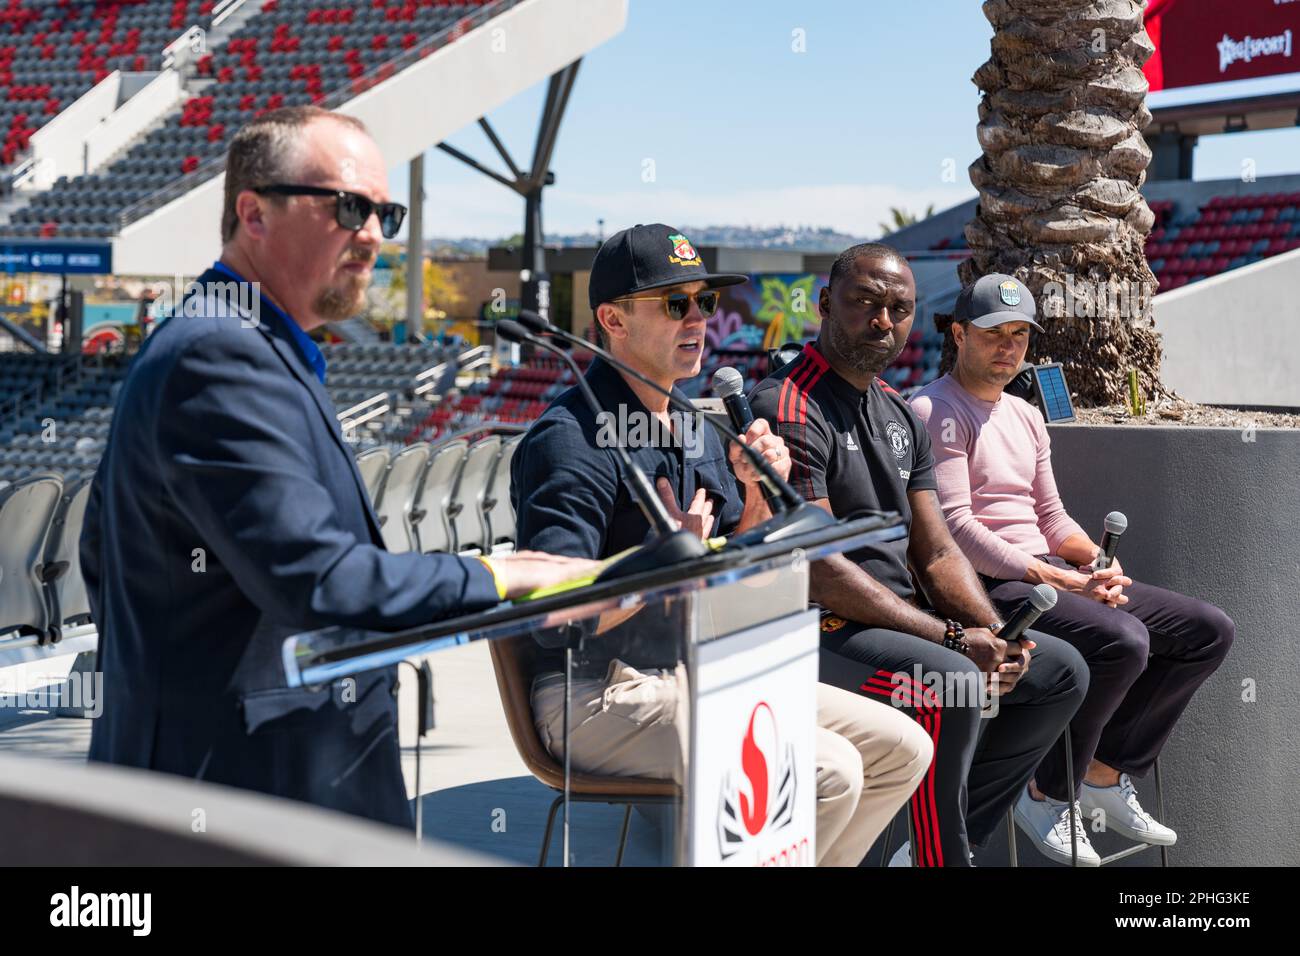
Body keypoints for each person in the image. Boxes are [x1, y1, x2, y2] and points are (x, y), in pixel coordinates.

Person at [80, 106, 594, 828]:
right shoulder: (218, 355)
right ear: (253, 212)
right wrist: (504, 575)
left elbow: (103, 554)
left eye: (387, 211)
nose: (375, 234)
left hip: (273, 789)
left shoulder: (252, 346)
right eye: (350, 207)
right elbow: (321, 580)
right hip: (233, 804)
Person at [511, 224, 932, 866]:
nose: (698, 320)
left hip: (695, 667)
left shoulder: (692, 424)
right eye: (675, 304)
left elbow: (747, 569)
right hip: (596, 691)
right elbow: (550, 618)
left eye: (704, 302)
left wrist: (761, 493)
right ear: (611, 319)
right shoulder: (569, 440)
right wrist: (659, 567)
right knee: (828, 770)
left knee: (903, 746)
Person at [748, 243, 1090, 867]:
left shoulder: (900, 413)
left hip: (895, 626)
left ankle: (929, 843)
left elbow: (936, 553)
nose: (883, 322)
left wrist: (994, 634)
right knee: (952, 682)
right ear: (826, 305)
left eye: (899, 309)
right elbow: (820, 571)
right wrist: (956, 641)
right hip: (814, 632)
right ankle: (941, 855)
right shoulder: (788, 405)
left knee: (1059, 672)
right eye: (865, 304)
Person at [910, 273, 1235, 863]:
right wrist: (1061, 577)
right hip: (985, 589)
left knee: (1207, 630)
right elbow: (957, 533)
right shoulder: (934, 409)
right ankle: (1047, 791)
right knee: (1124, 642)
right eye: (992, 335)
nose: (1008, 348)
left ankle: (1105, 775)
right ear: (958, 335)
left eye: (1019, 336)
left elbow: (1051, 515)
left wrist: (1098, 563)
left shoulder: (1026, 416)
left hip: (1045, 574)